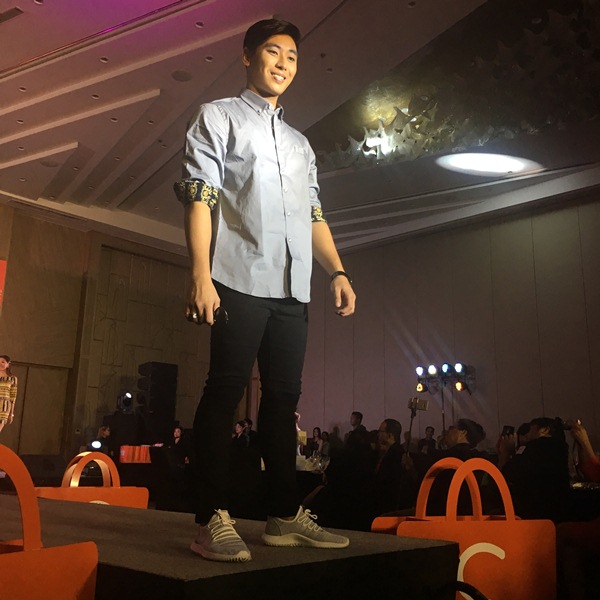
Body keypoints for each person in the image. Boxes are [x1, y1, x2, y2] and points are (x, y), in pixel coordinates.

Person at [174, 18, 356, 562]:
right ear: (248, 56)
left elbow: (314, 214)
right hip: (237, 278)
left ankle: (283, 514)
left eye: (292, 57)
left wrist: (338, 272)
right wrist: (200, 274)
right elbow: (200, 196)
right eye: (273, 52)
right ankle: (211, 518)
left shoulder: (301, 145)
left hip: (293, 289)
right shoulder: (218, 116)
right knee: (224, 393)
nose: (283, 63)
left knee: (283, 402)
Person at [0, 355, 17, 434]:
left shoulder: (13, 378)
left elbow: (13, 397)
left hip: (4, 407)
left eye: (3, 362)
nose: (0, 364)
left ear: (8, 365)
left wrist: (11, 414)